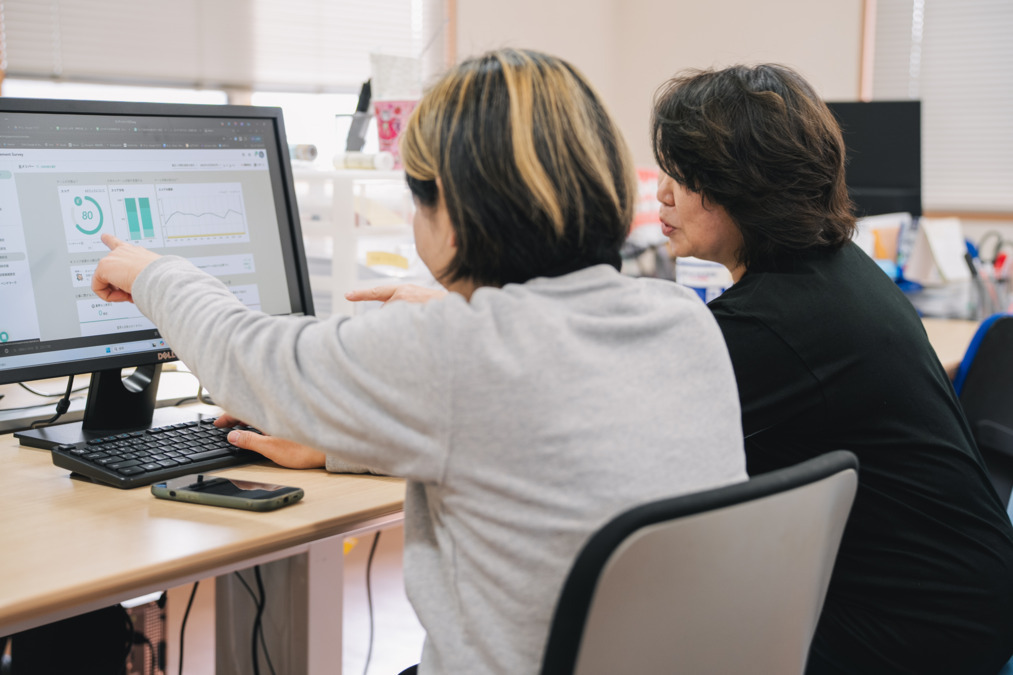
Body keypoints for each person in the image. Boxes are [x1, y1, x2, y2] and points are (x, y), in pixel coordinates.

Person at [92, 49, 747, 674]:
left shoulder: (459, 350)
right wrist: (339, 445)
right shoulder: (679, 317)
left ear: (454, 215)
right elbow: (534, 450)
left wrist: (156, 273)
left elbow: (247, 358)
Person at [651, 63, 1013, 674]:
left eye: (685, 176)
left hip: (925, 628)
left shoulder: (770, 326)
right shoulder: (834, 270)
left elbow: (628, 438)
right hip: (965, 589)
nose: (662, 193)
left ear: (746, 186)